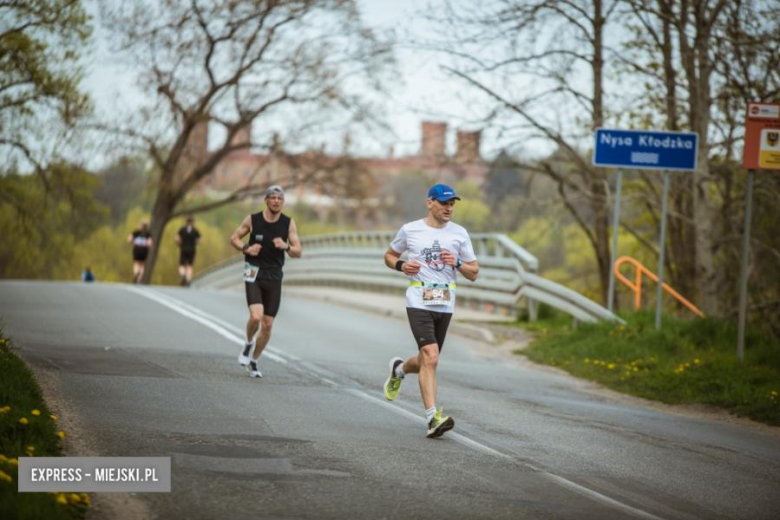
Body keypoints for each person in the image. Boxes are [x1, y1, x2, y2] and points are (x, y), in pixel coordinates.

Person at [382, 183, 479, 438]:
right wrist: (401, 265)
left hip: (445, 301)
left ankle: (399, 369)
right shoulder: (411, 230)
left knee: (426, 360)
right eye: (444, 203)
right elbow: (389, 255)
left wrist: (457, 263)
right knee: (432, 357)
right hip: (418, 299)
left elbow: (474, 272)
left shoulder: (459, 233)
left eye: (452, 204)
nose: (449, 208)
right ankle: (432, 418)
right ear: (430, 203)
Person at [229, 185, 302, 378]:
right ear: (266, 200)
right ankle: (248, 342)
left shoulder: (288, 223)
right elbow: (234, 238)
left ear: (283, 202)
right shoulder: (253, 220)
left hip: (274, 275)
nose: (276, 201)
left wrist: (285, 246)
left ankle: (254, 361)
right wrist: (246, 248)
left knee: (268, 324)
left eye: (280, 198)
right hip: (253, 271)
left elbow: (298, 251)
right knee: (256, 317)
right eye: (273, 197)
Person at [175, 216, 201, 286]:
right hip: (192, 249)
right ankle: (188, 279)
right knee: (190, 265)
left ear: (186, 222)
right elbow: (199, 241)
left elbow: (177, 239)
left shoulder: (182, 229)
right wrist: (195, 243)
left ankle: (183, 274)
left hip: (183, 249)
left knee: (181, 264)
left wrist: (179, 244)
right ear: (192, 223)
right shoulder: (195, 230)